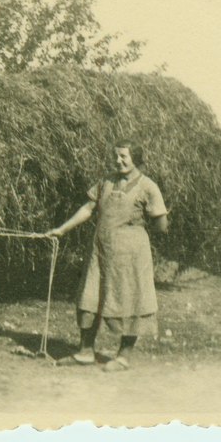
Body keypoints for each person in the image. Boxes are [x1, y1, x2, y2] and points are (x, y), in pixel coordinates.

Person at [44, 143, 168, 372]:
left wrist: (135, 229)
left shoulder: (148, 187)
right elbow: (88, 208)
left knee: (130, 300)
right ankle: (84, 352)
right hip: (100, 252)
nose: (118, 161)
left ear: (136, 159)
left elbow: (161, 224)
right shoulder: (106, 183)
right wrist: (62, 229)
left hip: (131, 257)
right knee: (90, 298)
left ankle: (124, 356)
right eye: (116, 157)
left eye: (124, 157)